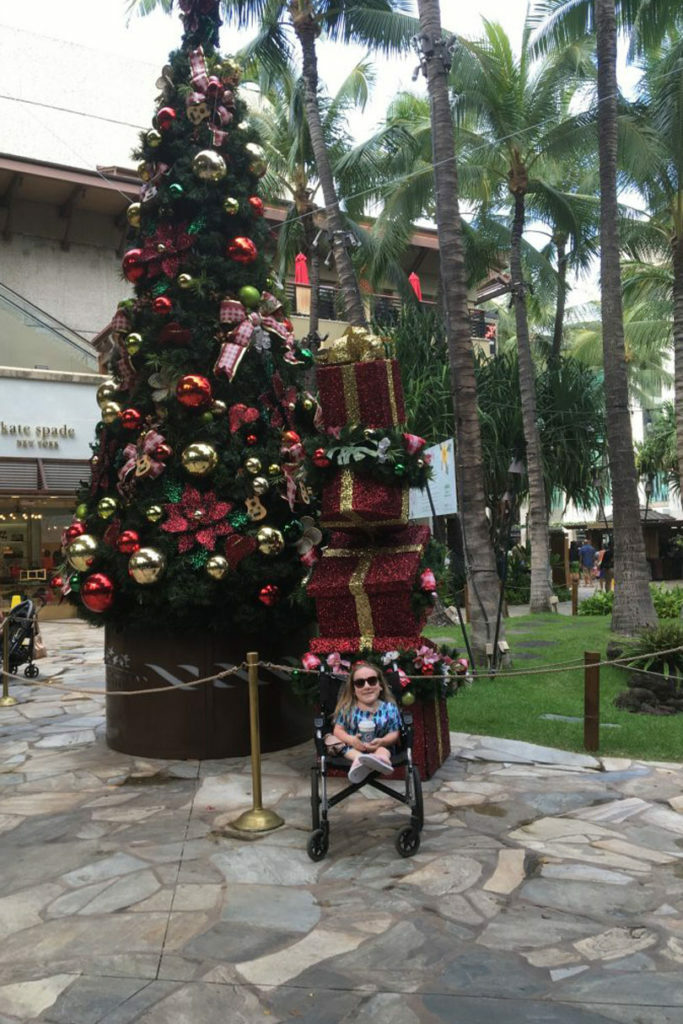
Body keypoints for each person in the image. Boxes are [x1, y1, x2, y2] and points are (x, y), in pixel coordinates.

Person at [332, 661, 401, 784]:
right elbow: (338, 730)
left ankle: (381, 760)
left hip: (379, 745)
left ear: (380, 685)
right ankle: (359, 760)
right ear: (354, 690)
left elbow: (394, 733)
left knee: (385, 750)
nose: (367, 686)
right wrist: (351, 739)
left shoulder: (389, 709)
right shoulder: (348, 708)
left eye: (372, 680)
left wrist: (383, 741)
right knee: (337, 744)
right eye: (360, 683)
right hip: (353, 747)